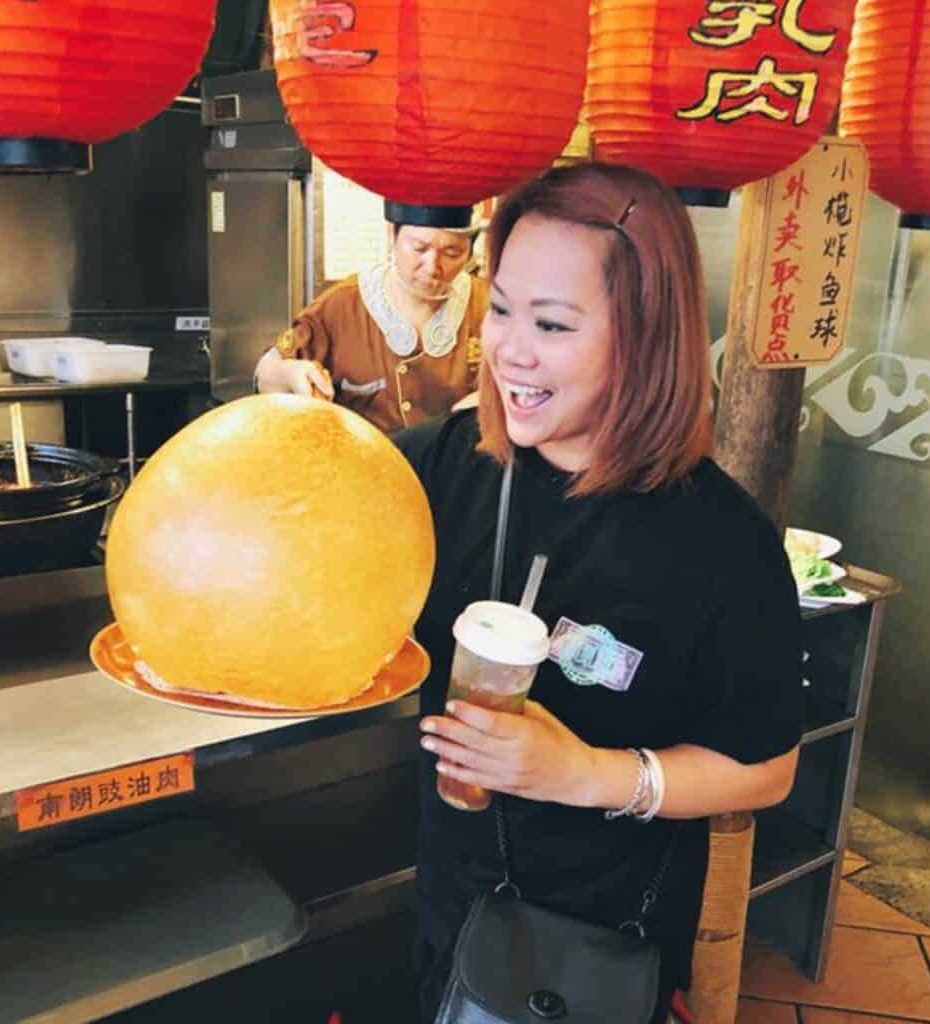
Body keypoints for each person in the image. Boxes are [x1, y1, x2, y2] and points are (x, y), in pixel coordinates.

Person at [394, 163, 803, 1024]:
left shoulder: (722, 545)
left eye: (552, 323)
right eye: (500, 308)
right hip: (451, 896)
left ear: (646, 337)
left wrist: (584, 774)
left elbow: (767, 769)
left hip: (599, 950)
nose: (510, 348)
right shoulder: (454, 462)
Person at [253, 218, 488, 433]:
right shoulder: (342, 304)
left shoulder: (489, 305)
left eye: (452, 252)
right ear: (392, 236)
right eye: (419, 248)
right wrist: (289, 373)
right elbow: (265, 373)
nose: (432, 267)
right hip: (362, 470)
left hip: (455, 472)